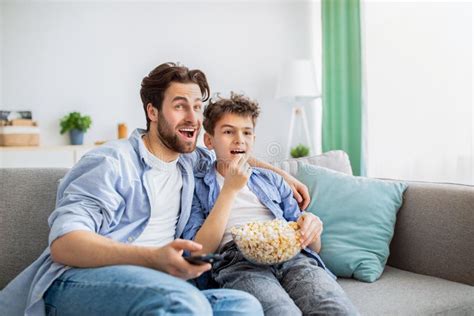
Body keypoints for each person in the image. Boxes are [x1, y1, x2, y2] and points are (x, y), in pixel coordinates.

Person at [0, 63, 311, 316]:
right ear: (153, 112)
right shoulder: (111, 162)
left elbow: (232, 152)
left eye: (197, 107)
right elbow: (65, 244)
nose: (193, 118)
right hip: (78, 281)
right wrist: (151, 258)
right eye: (180, 106)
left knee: (244, 307)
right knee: (184, 302)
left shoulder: (191, 163)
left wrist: (284, 175)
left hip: (160, 284)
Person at [182, 92, 359, 315]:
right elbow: (197, 254)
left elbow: (313, 246)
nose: (239, 139)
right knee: (280, 311)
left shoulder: (272, 179)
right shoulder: (196, 186)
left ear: (254, 139)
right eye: (228, 132)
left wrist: (312, 228)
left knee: (334, 308)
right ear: (209, 140)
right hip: (237, 262)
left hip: (292, 257)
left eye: (247, 132)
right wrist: (229, 190)